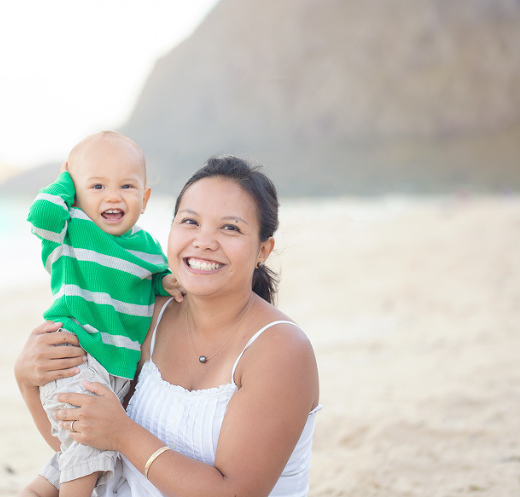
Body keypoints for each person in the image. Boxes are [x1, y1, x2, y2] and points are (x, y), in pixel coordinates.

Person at [16, 155, 322, 497]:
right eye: (190, 221)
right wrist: (27, 380)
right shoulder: (149, 314)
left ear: (263, 250)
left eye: (230, 227)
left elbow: (235, 492)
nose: (204, 241)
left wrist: (123, 433)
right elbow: (86, 452)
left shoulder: (280, 349)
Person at [24, 131, 184, 497]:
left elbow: (158, 280)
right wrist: (67, 180)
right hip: (74, 358)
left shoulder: (145, 246)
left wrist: (170, 284)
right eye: (97, 186)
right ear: (76, 194)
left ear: (144, 199)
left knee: (84, 454)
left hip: (118, 372)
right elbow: (41, 213)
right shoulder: (71, 229)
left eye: (126, 186)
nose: (112, 196)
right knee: (86, 449)